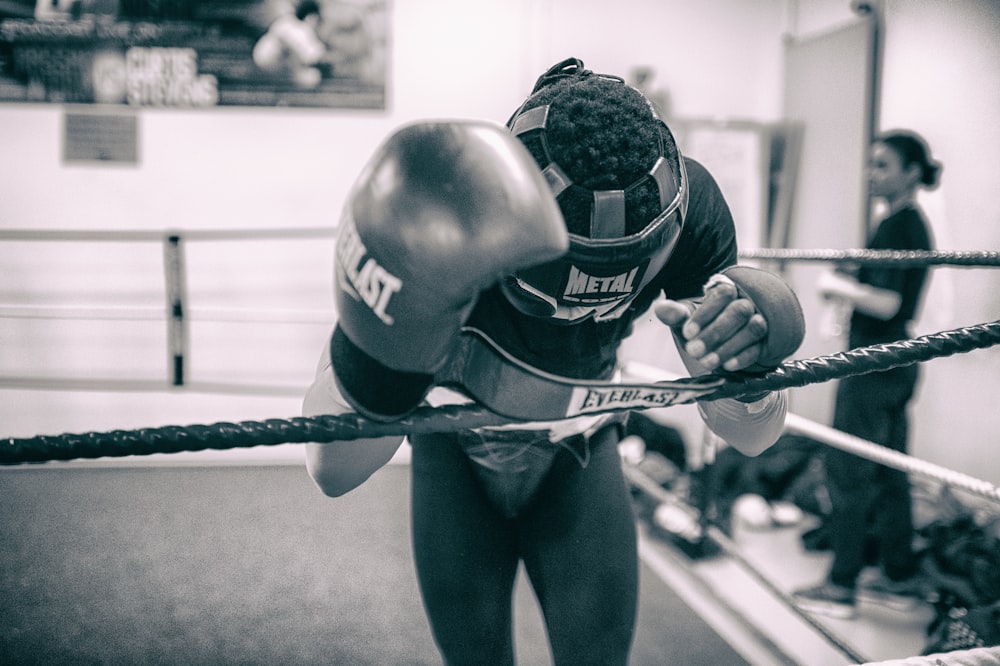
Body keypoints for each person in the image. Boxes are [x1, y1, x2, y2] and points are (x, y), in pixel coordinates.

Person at [303, 58, 804, 664]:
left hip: (579, 449)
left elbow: (754, 438)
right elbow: (332, 472)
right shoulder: (447, 205)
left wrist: (739, 377)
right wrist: (379, 354)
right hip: (454, 449)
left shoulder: (688, 207)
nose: (573, 311)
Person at [793, 130, 942, 620]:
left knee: (850, 471)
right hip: (895, 362)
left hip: (876, 363)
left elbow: (888, 302)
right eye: (871, 164)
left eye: (882, 165)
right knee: (889, 468)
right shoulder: (901, 224)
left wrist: (839, 284)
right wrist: (854, 274)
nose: (871, 173)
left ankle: (840, 586)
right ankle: (898, 575)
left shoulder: (904, 226)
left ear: (911, 172)